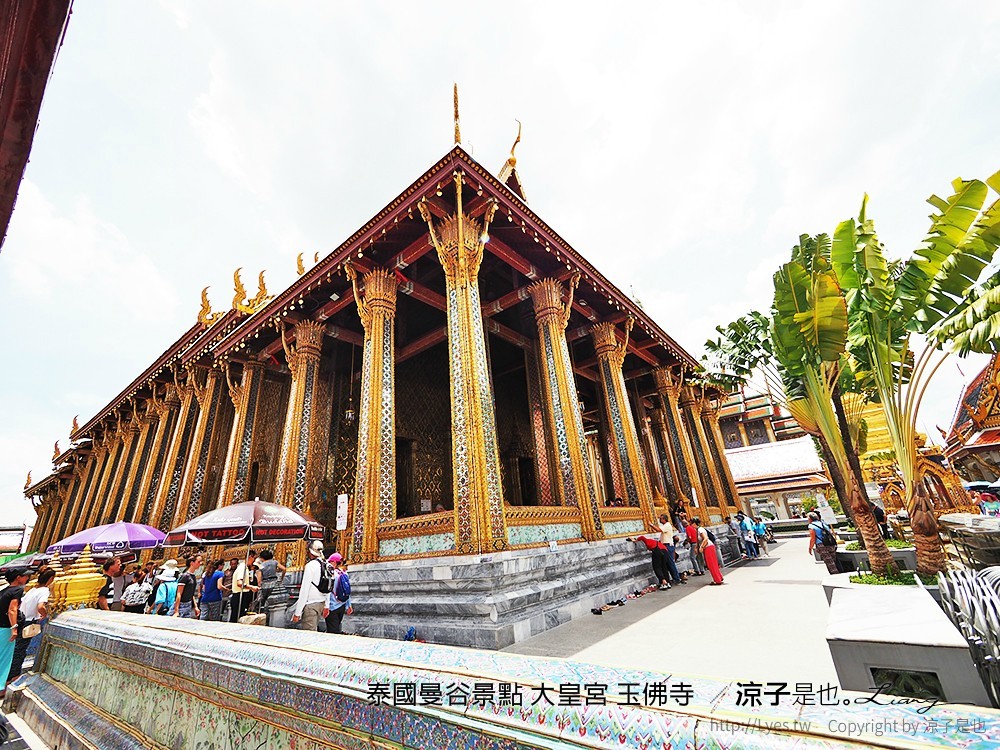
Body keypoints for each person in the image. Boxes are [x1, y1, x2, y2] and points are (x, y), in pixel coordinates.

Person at [1, 569, 32, 689]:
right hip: (6, 629)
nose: (27, 578)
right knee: (4, 659)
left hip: (1, 628)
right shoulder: (17, 590)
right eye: (25, 576)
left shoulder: (4, 591)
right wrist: (14, 628)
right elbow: (12, 610)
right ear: (18, 577)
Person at [293, 541, 330, 630]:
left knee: (309, 634)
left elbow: (305, 589)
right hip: (321, 602)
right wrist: (326, 605)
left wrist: (297, 612)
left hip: (311, 604)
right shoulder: (327, 564)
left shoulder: (310, 566)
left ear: (310, 552)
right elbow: (329, 586)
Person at [323, 554, 353, 634]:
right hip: (342, 605)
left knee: (333, 631)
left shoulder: (332, 575)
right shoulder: (344, 574)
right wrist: (349, 605)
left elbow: (328, 590)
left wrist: (326, 606)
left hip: (332, 606)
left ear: (334, 563)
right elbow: (347, 590)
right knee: (336, 628)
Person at [229, 550, 260, 623]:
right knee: (237, 618)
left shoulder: (245, 568)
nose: (254, 561)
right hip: (239, 596)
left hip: (242, 595)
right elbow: (239, 583)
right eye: (254, 559)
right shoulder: (242, 568)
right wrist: (251, 587)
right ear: (250, 557)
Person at [652, 514, 683, 585]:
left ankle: (677, 578)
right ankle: (672, 578)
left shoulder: (667, 525)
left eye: (661, 518)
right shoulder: (665, 526)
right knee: (666, 564)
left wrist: (651, 525)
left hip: (668, 546)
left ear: (664, 519)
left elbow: (658, 530)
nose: (660, 520)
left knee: (670, 563)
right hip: (664, 545)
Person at [694, 519, 724, 585]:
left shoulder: (700, 530)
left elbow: (705, 539)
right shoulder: (698, 530)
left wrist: (701, 547)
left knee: (711, 564)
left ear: (694, 524)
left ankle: (717, 580)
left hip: (708, 547)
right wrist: (697, 547)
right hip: (708, 547)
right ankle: (719, 577)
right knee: (712, 563)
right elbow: (698, 541)